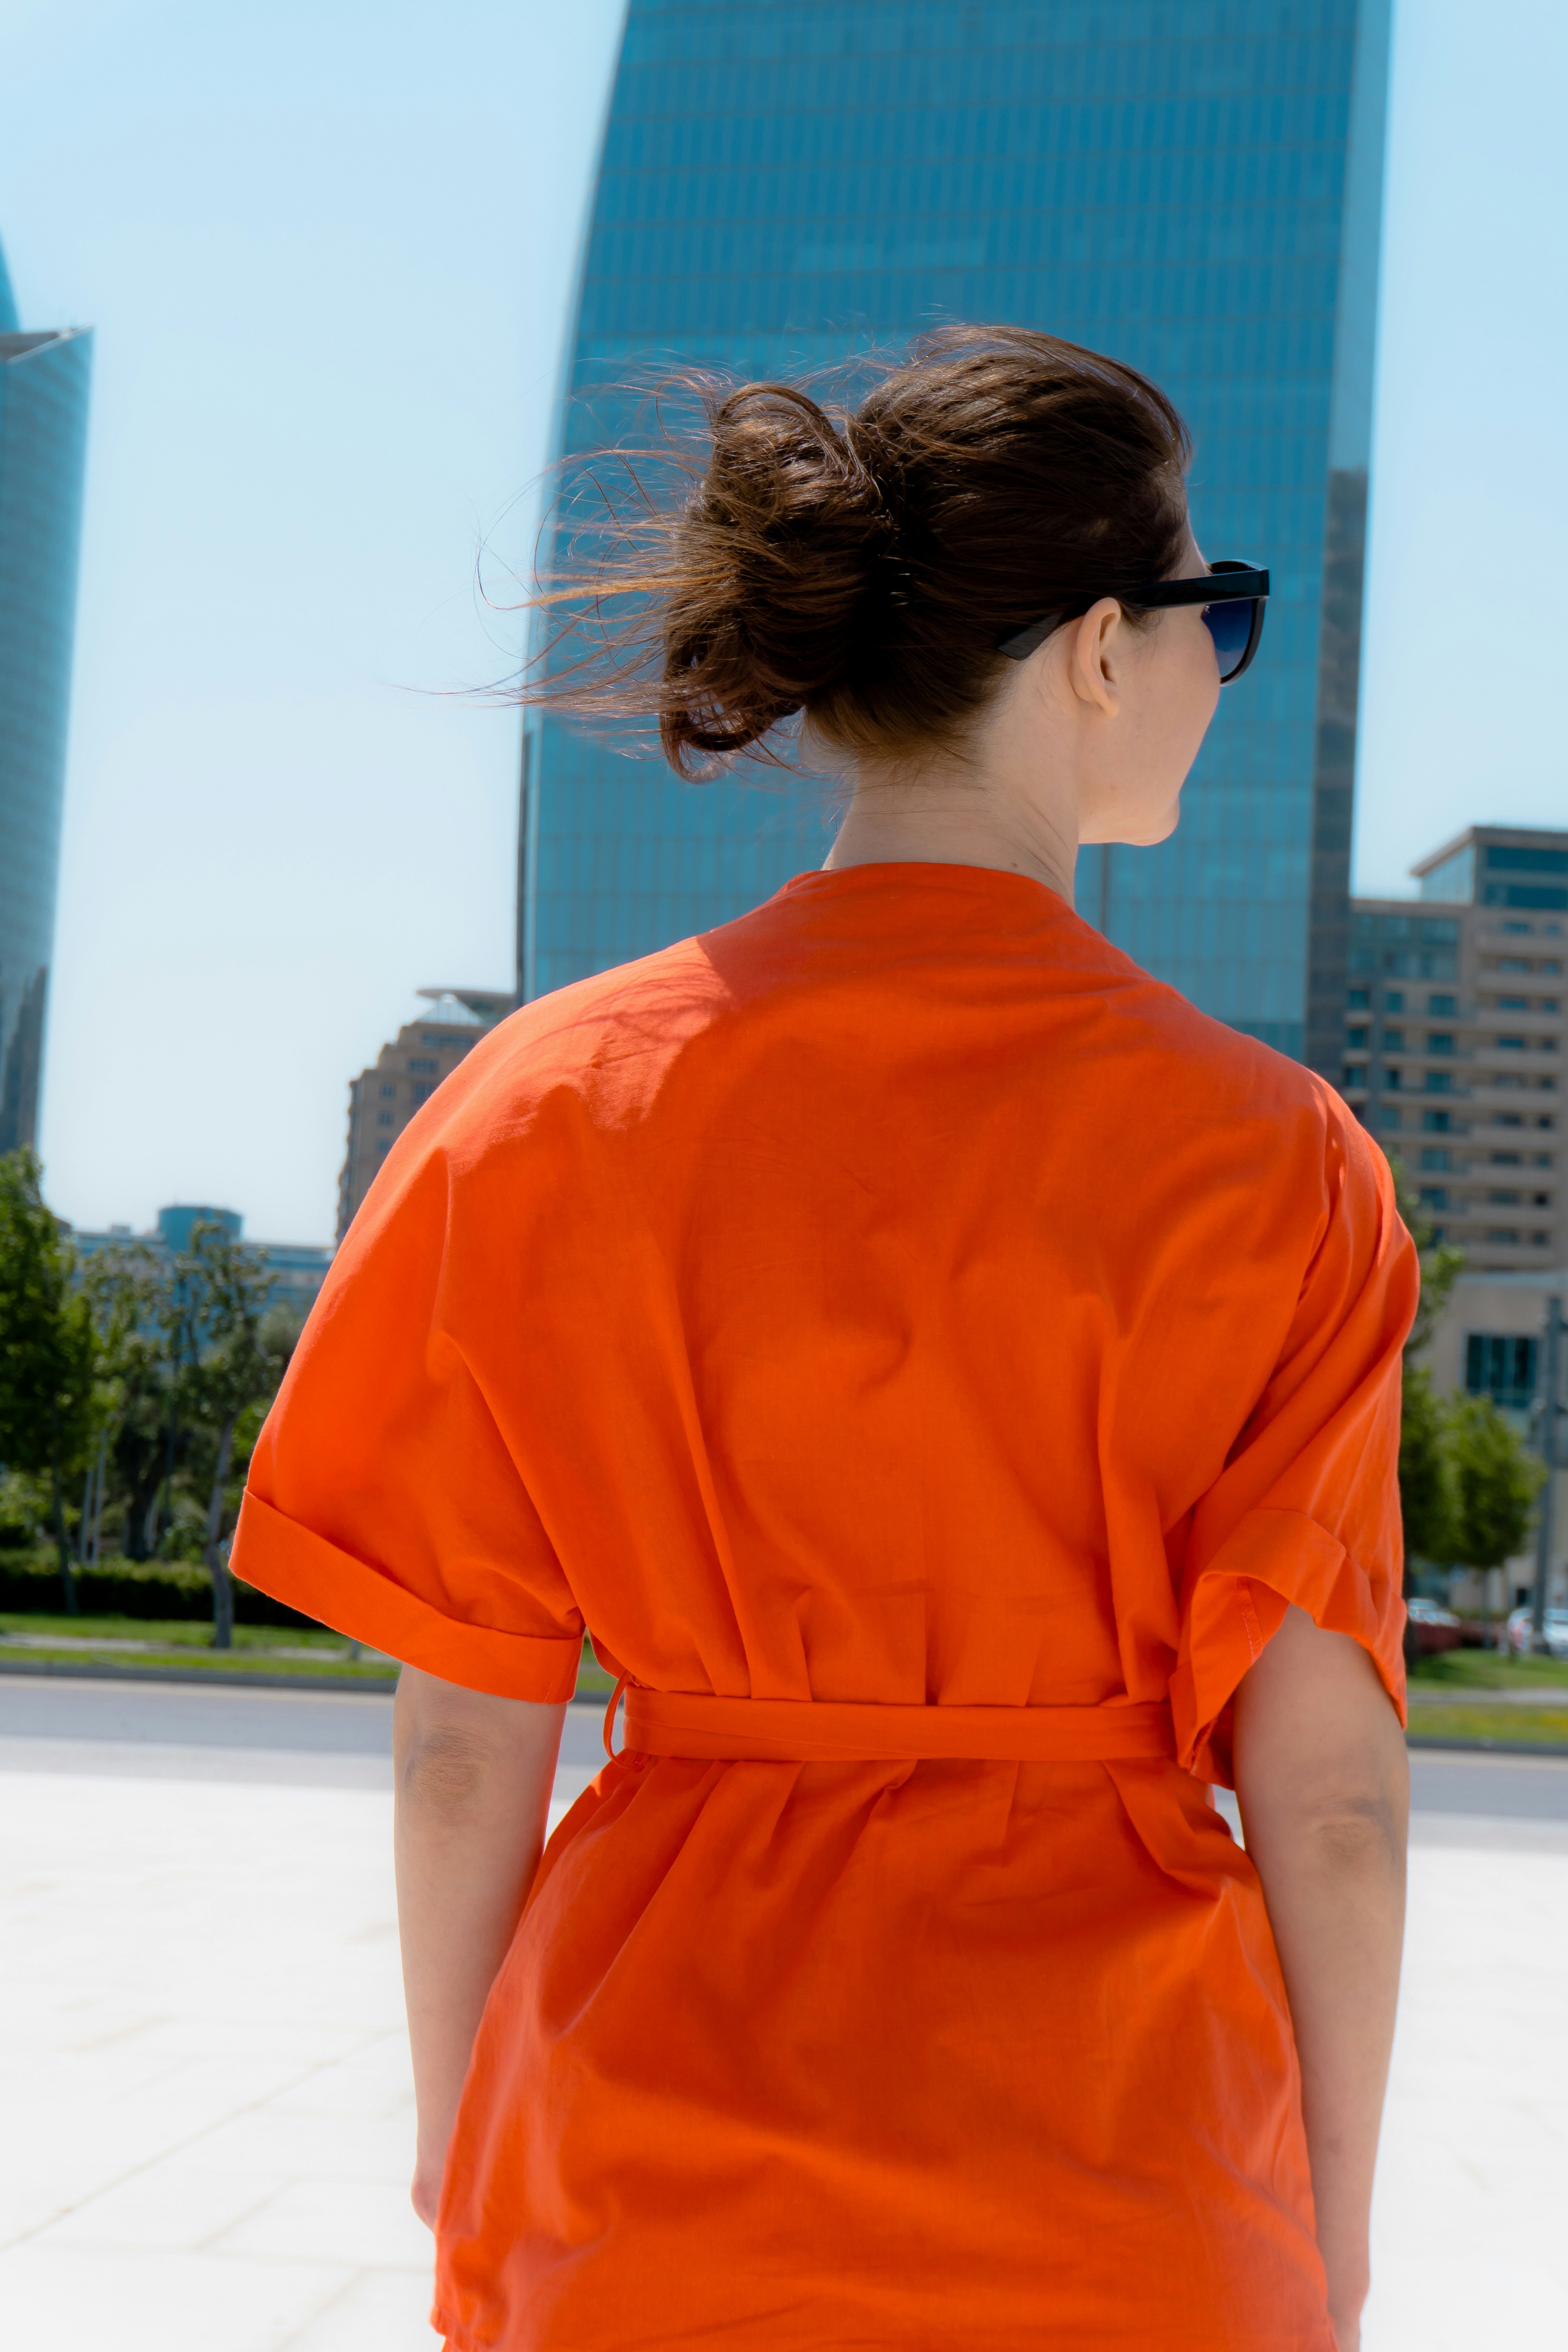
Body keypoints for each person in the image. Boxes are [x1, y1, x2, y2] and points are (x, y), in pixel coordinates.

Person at [233, 326, 1415, 2352]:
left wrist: (464, 2130)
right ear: (1099, 652)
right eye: (1215, 612)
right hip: (1132, 2189)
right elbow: (1333, 1801)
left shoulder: (542, 1106)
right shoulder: (1279, 1162)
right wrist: (1331, 2222)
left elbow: (460, 1749)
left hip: (641, 2182)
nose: (1222, 666)